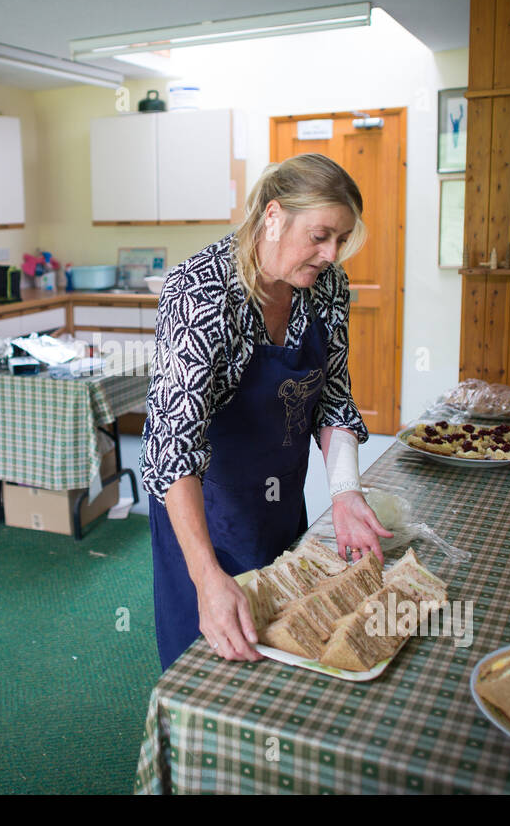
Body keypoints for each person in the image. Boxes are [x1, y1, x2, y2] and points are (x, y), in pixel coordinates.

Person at [141, 153, 390, 670]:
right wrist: (207, 577)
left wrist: (345, 494)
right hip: (204, 509)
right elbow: (172, 446)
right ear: (272, 216)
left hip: (278, 495)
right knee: (212, 655)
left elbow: (333, 394)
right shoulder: (202, 292)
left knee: (289, 641)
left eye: (342, 239)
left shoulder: (327, 285)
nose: (331, 253)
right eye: (321, 235)